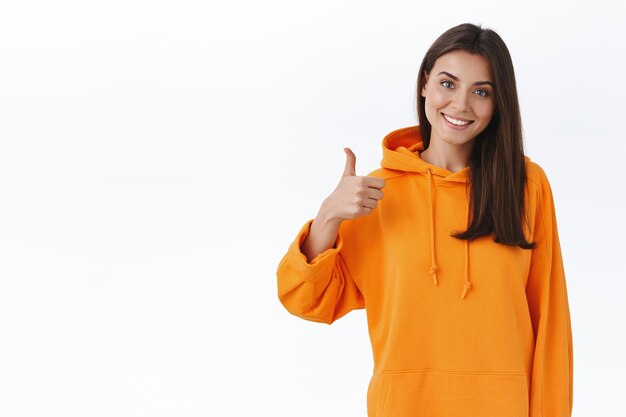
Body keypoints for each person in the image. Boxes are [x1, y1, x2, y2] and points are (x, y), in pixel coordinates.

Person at [276, 22, 573, 417]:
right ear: (425, 83)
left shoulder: (524, 185)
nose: (461, 105)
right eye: (448, 84)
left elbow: (551, 322)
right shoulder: (375, 195)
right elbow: (307, 301)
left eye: (481, 92)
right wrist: (328, 216)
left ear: (498, 103)